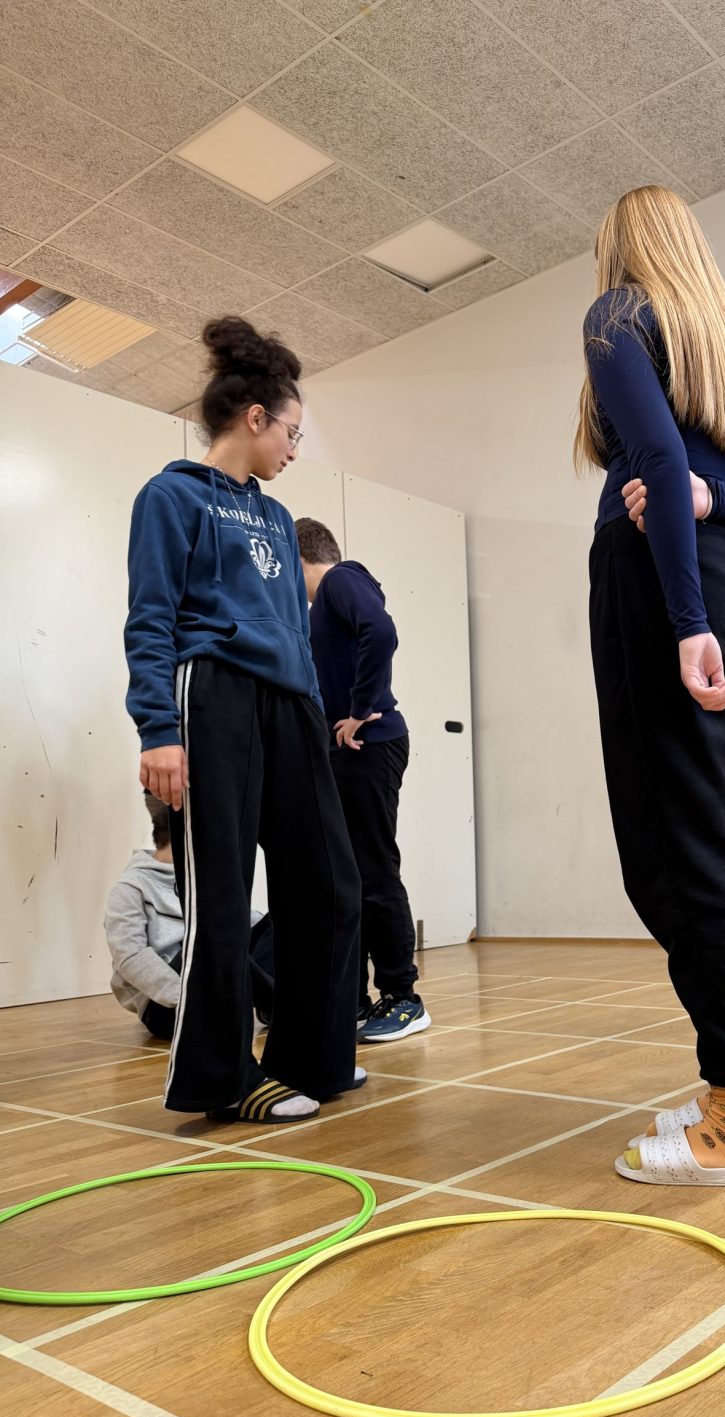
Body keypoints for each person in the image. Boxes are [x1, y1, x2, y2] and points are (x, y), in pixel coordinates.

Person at [576, 185, 725, 1188]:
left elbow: (660, 458)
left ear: (621, 248)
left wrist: (683, 621)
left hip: (673, 586)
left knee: (680, 850)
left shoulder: (618, 315)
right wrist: (717, 499)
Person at [124, 316, 363, 1123]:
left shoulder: (275, 518)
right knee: (222, 895)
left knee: (329, 883)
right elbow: (151, 617)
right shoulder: (170, 496)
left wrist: (314, 711)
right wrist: (158, 730)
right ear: (255, 417)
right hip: (212, 695)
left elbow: (295, 627)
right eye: (291, 432)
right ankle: (225, 1078)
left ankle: (313, 1056)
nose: (295, 448)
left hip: (290, 704)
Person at [295, 518, 429, 1043]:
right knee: (348, 877)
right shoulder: (321, 607)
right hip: (348, 751)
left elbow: (382, 631)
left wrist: (359, 708)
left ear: (300, 556)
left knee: (373, 870)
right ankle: (354, 1001)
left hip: (370, 744)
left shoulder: (340, 579)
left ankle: (404, 998)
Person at [104, 792, 275, 1041]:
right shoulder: (131, 888)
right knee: (207, 938)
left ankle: (272, 1001)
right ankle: (280, 1003)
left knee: (277, 921)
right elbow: (130, 957)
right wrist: (186, 998)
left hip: (213, 987)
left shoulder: (203, 878)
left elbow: (246, 926)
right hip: (167, 1006)